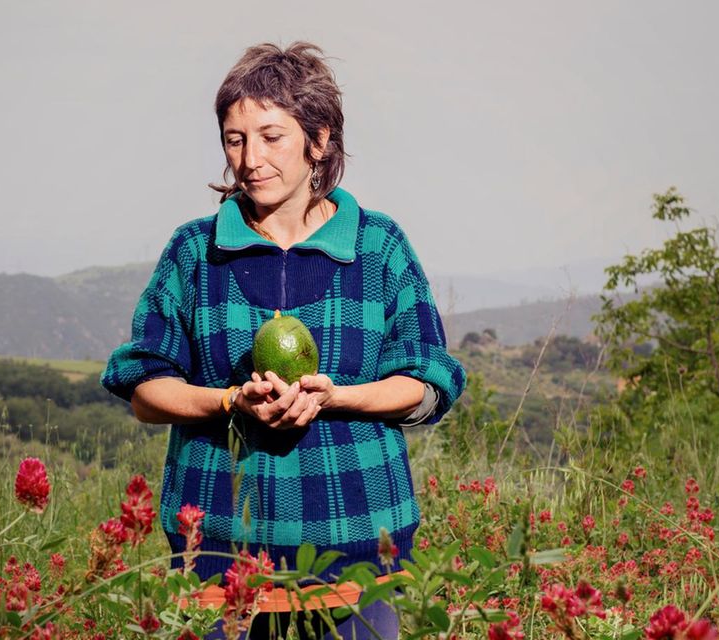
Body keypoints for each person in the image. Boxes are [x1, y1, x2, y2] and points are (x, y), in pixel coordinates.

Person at [102, 41, 466, 639]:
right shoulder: (195, 252)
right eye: (235, 138)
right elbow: (145, 390)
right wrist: (228, 401)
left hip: (358, 547)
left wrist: (337, 396)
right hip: (220, 555)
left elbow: (426, 383)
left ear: (319, 140)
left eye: (272, 136)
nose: (250, 159)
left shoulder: (378, 248)